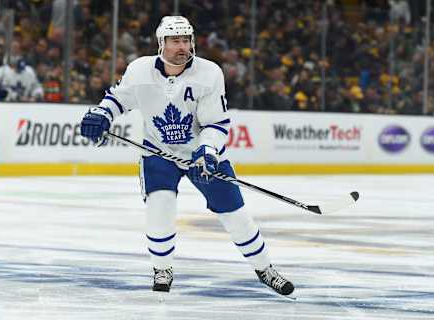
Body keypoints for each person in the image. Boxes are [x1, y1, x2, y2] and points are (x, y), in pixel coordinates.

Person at [80, 16, 294, 296]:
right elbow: (119, 98)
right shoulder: (140, 71)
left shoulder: (209, 73)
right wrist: (102, 114)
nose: (182, 46)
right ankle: (162, 269)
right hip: (158, 153)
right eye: (175, 41)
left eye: (186, 40)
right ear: (161, 43)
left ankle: (265, 269)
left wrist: (206, 152)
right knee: (160, 207)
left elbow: (216, 124)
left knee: (235, 215)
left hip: (202, 156)